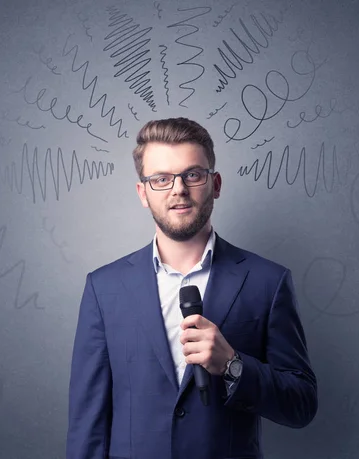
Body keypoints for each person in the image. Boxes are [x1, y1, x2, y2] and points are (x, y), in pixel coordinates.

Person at [66, 117, 318, 459]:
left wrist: (232, 364)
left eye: (192, 175)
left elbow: (301, 405)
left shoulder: (267, 282)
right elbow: (87, 422)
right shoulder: (104, 288)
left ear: (214, 183)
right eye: (161, 179)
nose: (178, 189)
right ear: (143, 193)